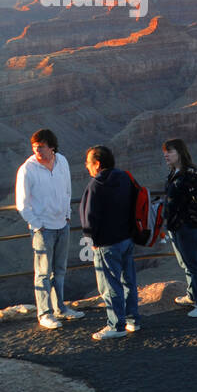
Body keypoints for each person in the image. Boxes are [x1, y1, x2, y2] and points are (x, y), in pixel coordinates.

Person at [15, 128, 83, 330]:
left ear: (52, 147)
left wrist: (68, 214)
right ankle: (44, 313)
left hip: (62, 223)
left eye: (41, 147)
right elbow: (22, 204)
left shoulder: (62, 161)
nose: (37, 151)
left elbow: (67, 188)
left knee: (60, 270)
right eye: (34, 147)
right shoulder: (27, 169)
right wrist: (38, 225)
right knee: (43, 272)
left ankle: (60, 308)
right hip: (43, 228)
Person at [80, 145, 139, 340]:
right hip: (126, 238)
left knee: (109, 284)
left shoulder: (96, 185)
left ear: (97, 164)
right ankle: (132, 320)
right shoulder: (124, 177)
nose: (86, 166)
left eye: (88, 163)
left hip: (106, 243)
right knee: (128, 280)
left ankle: (116, 325)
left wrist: (91, 240)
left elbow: (89, 216)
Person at [163, 138, 197, 317]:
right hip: (176, 227)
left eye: (170, 151)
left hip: (189, 227)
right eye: (165, 152)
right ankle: (193, 296)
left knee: (195, 264)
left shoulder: (192, 174)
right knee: (186, 264)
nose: (166, 155)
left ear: (180, 153)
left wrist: (185, 220)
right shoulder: (173, 173)